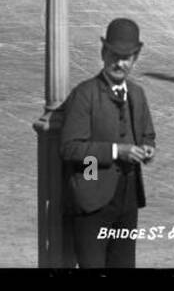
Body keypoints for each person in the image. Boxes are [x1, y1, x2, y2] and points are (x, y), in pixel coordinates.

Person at [60, 18, 157, 268]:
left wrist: (147, 149)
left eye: (126, 57)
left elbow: (147, 135)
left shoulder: (137, 94)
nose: (119, 63)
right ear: (104, 54)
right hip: (92, 197)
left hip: (128, 200)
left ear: (135, 58)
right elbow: (72, 149)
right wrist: (115, 151)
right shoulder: (85, 94)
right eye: (114, 55)